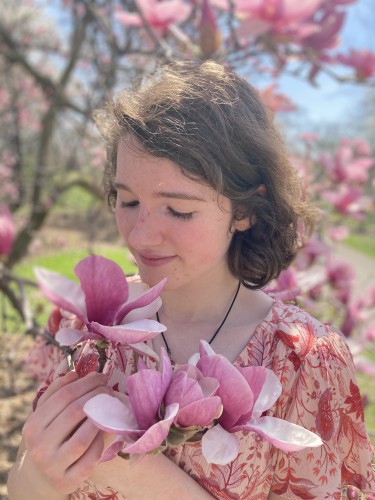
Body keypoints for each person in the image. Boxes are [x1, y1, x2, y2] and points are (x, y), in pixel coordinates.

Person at [7, 60, 375, 499]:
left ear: (244, 211)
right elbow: (25, 485)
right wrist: (37, 477)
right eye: (126, 200)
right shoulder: (89, 328)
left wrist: (147, 481)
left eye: (178, 209)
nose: (140, 235)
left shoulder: (303, 362)